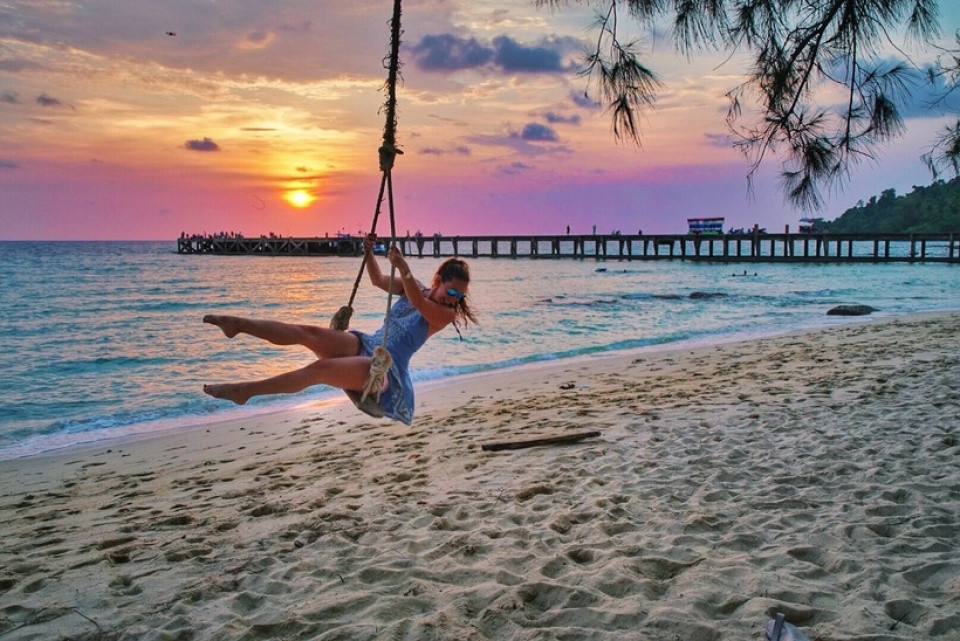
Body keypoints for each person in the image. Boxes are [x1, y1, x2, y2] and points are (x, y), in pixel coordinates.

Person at [202, 234, 477, 424]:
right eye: (452, 290)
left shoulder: (445, 315)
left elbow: (418, 303)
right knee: (305, 331)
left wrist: (403, 266)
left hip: (384, 368)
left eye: (460, 296)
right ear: (439, 280)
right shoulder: (415, 284)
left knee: (317, 371)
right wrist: (368, 252)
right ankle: (239, 325)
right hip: (366, 343)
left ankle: (246, 391)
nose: (454, 298)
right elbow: (377, 279)